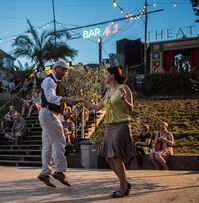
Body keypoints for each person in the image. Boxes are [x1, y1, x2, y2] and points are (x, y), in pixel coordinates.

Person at [78, 66, 134, 198]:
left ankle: (122, 188)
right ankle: (125, 183)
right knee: (108, 158)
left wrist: (124, 99)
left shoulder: (124, 88)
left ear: (112, 75)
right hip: (109, 127)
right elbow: (97, 107)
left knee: (115, 156)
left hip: (121, 125)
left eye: (105, 74)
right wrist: (82, 101)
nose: (104, 76)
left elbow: (130, 110)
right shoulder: (108, 91)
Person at [37, 60, 77, 188]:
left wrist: (67, 103)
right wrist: (67, 100)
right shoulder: (49, 80)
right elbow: (50, 98)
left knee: (48, 146)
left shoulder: (56, 82)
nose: (65, 72)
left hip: (49, 114)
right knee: (59, 140)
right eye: (63, 70)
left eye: (66, 70)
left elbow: (57, 100)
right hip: (48, 114)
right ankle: (59, 171)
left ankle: (44, 173)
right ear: (57, 69)